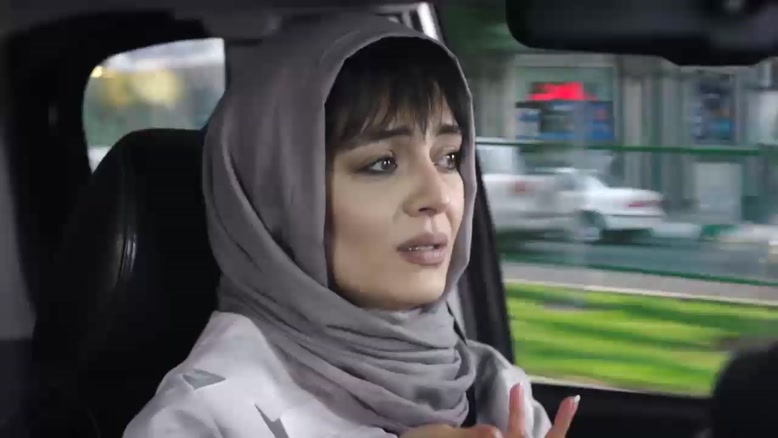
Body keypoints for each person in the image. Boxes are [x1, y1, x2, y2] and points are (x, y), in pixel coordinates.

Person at [123, 12, 579, 438]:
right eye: (382, 163)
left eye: (449, 158)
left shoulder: (495, 388)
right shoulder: (202, 416)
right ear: (278, 197)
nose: (439, 196)